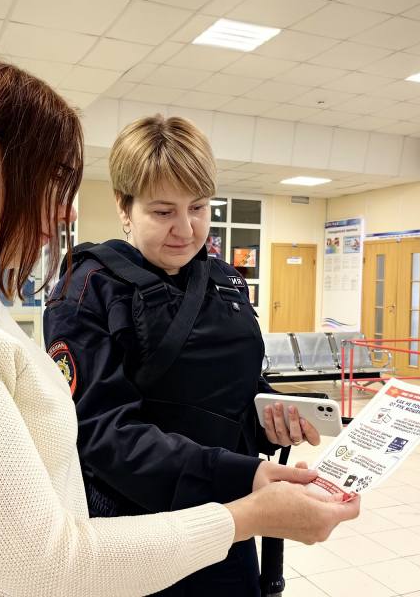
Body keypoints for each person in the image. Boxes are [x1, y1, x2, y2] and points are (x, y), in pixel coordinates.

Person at [0, 56, 360, 597]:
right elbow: (50, 562)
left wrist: (258, 447)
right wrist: (247, 509)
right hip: (142, 530)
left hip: (171, 537)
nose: (59, 216)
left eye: (198, 208)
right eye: (53, 186)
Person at [43, 115, 329, 596]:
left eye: (198, 207)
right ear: (124, 207)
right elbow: (102, 434)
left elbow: (233, 390)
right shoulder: (87, 289)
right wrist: (244, 475)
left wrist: (270, 415)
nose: (186, 228)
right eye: (162, 211)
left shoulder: (224, 281)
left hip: (230, 521)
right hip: (139, 533)